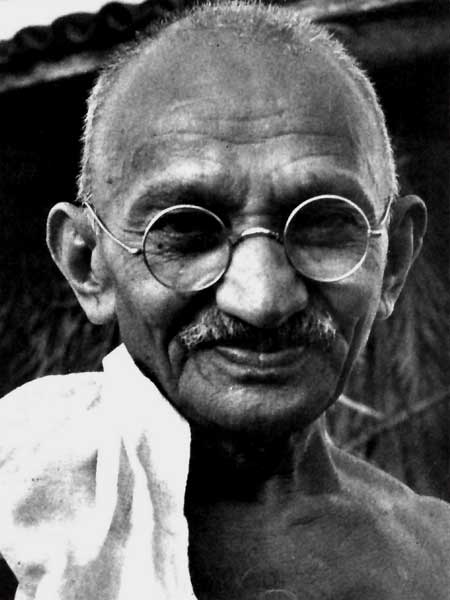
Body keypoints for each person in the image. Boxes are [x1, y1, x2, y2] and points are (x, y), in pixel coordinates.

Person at [1, 2, 449, 599]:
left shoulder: (436, 561)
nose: (262, 300)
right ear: (88, 265)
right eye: (186, 231)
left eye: (323, 225)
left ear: (392, 263)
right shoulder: (19, 511)